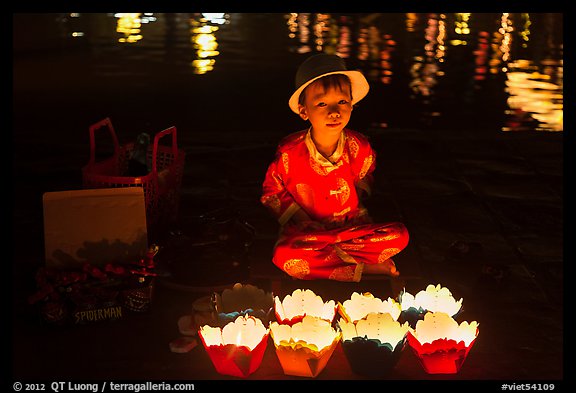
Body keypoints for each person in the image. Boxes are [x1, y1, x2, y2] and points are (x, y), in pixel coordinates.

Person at [260, 53, 410, 282]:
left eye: (342, 102)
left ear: (352, 103)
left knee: (400, 235)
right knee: (285, 256)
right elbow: (272, 192)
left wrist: (353, 210)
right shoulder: (289, 151)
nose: (334, 112)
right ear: (303, 110)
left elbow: (365, 175)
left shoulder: (359, 145)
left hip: (351, 229)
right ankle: (362, 267)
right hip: (311, 234)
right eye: (322, 104)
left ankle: (337, 260)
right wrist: (303, 221)